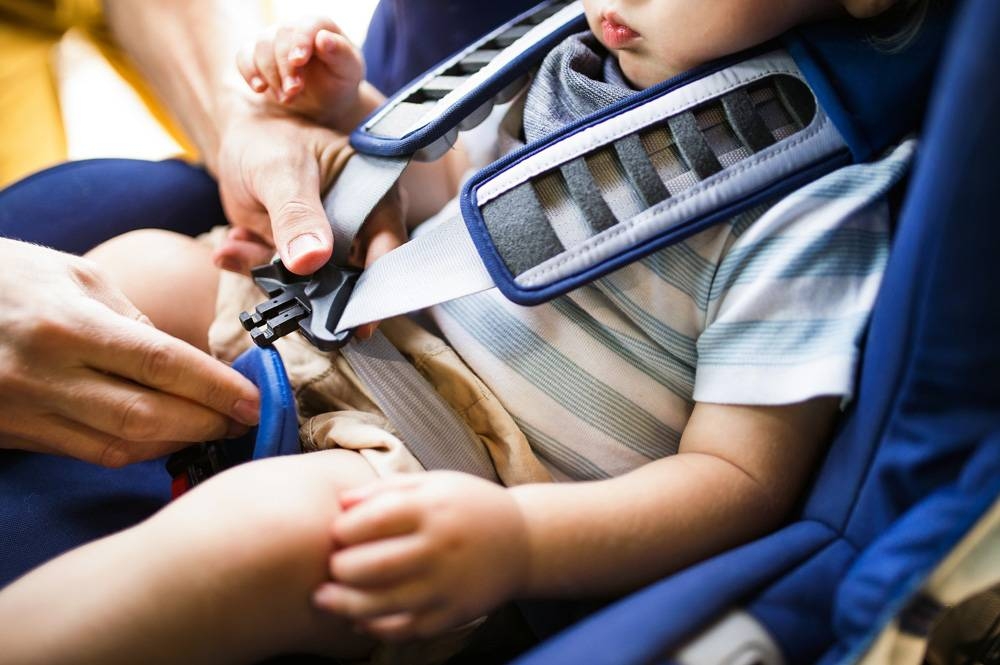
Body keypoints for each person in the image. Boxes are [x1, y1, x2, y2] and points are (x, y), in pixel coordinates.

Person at [0, 0, 927, 663]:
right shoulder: (569, 51)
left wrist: (517, 540)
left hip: (445, 466)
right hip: (345, 329)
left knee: (254, 539)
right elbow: (455, 212)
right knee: (132, 269)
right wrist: (352, 117)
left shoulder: (813, 210)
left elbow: (741, 481)